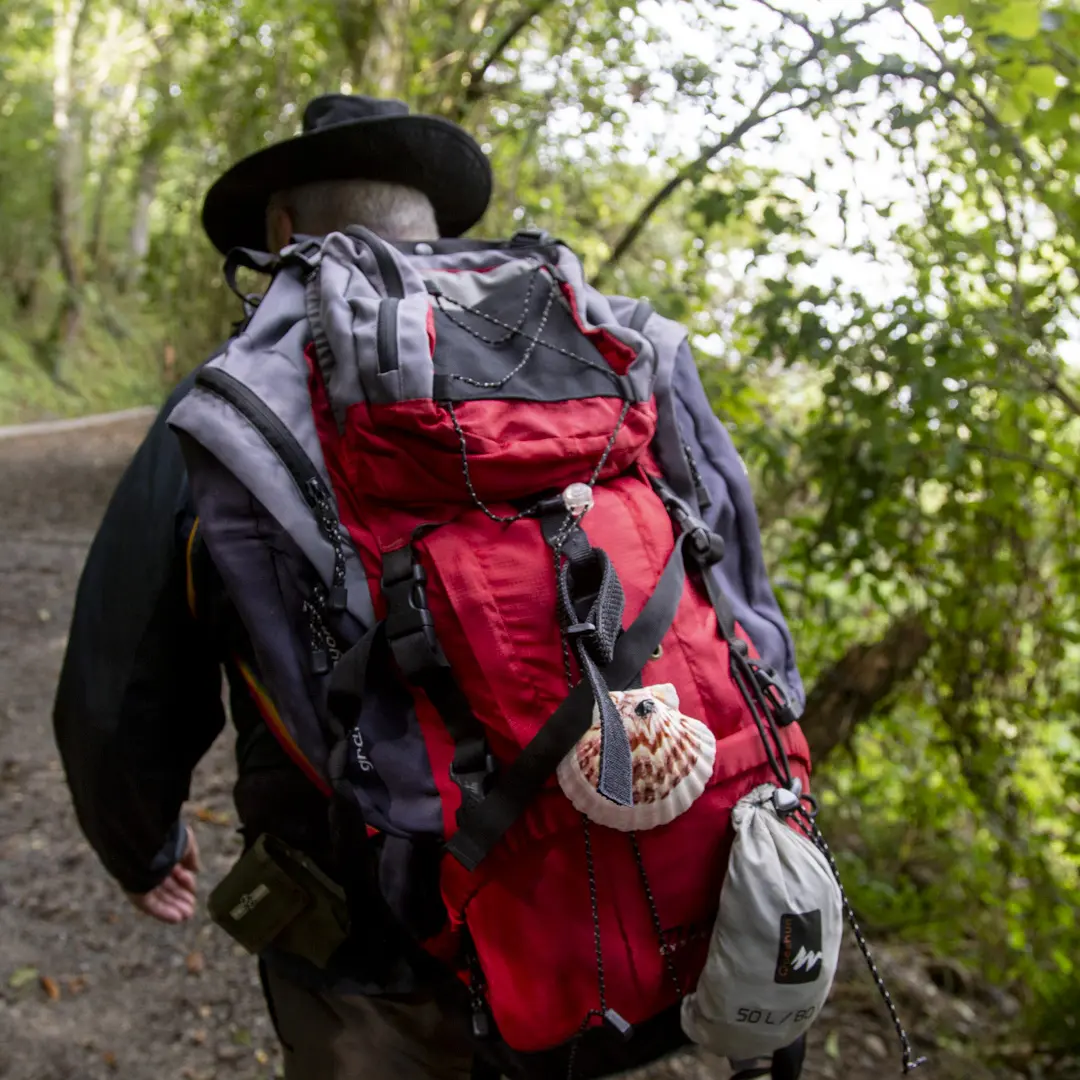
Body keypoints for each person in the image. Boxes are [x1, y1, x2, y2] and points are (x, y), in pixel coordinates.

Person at [54, 94, 804, 1080]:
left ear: (282, 232)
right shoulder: (612, 347)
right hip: (620, 906)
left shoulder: (239, 399)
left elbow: (120, 689)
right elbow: (750, 616)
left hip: (380, 951)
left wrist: (140, 846)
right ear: (434, 226)